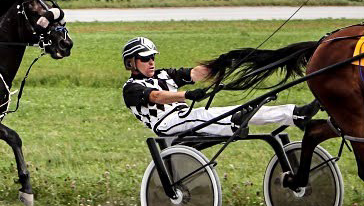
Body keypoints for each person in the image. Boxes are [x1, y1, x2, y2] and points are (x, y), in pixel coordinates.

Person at [120, 36, 319, 141]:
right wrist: (186, 94)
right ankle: (232, 124)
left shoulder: (165, 74)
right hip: (166, 123)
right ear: (131, 63)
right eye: (145, 58)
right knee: (204, 115)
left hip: (185, 115)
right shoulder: (131, 88)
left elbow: (195, 74)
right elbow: (156, 96)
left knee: (241, 109)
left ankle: (295, 115)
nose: (151, 61)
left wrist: (223, 63)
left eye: (153, 57)